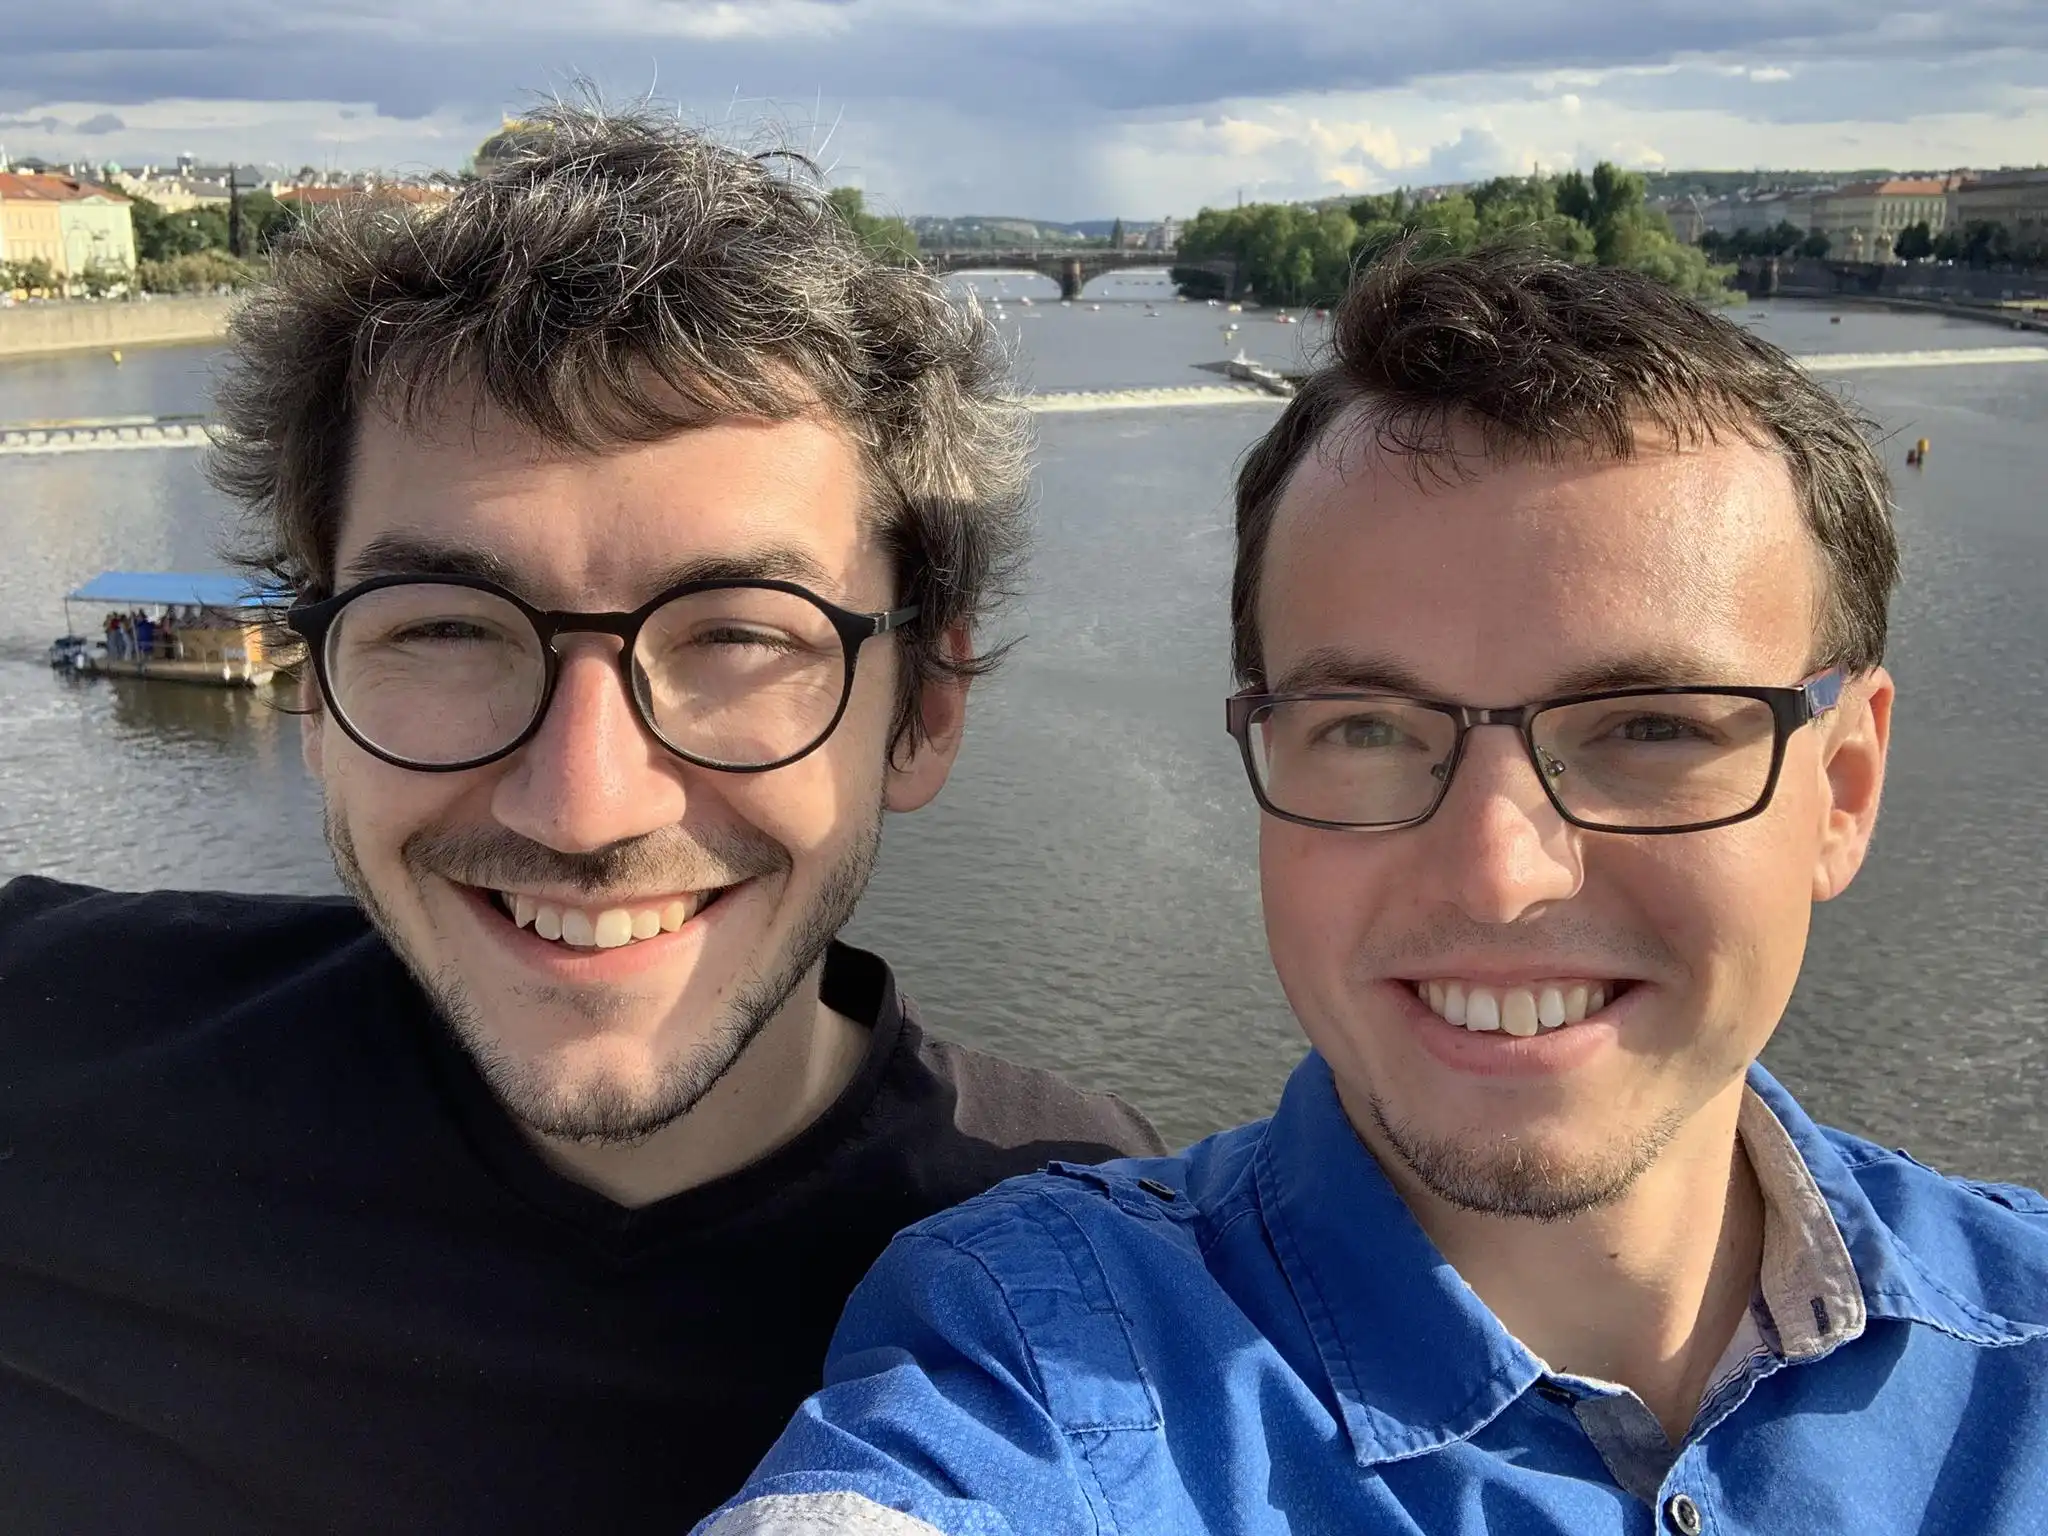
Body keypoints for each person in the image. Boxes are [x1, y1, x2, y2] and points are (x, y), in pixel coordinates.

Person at [698, 247, 2048, 1535]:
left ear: (1847, 787)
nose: (1499, 873)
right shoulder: (1038, 1366)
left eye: (1652, 728)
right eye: (1367, 728)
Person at [0, 105, 1160, 1534]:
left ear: (924, 707)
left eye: (740, 635)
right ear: (315, 692)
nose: (584, 799)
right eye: (443, 631)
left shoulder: (1109, 1264)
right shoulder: (44, 1043)